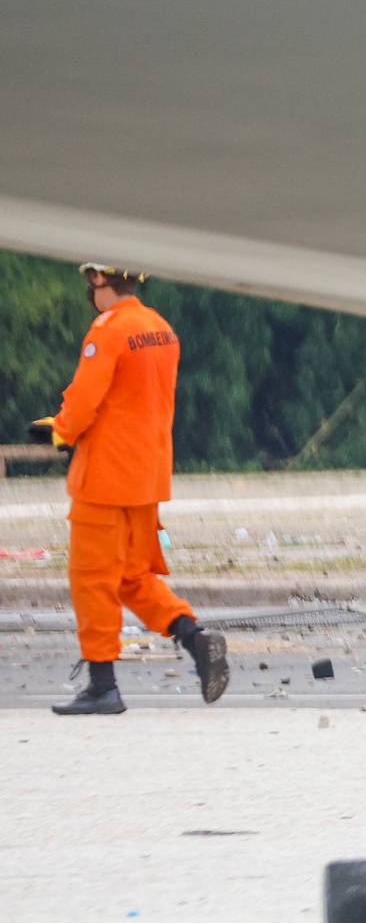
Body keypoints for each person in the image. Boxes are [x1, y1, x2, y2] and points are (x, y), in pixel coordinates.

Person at [27, 262, 229, 715]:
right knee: (132, 577)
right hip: (147, 475)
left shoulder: (109, 329)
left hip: (105, 478)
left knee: (92, 579)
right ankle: (195, 640)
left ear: (100, 281)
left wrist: (59, 431)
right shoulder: (161, 328)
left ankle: (103, 685)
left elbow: (85, 398)